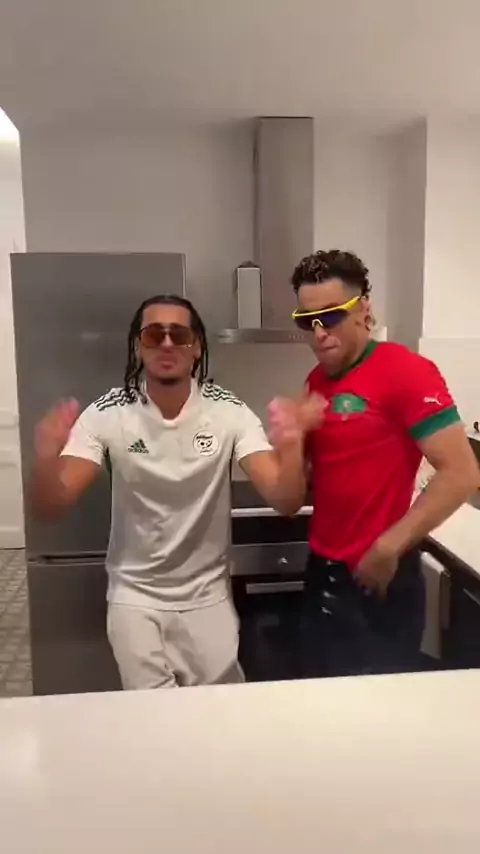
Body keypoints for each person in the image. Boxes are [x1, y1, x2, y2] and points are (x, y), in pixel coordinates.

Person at [32, 294, 319, 690]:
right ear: (139, 346)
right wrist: (46, 459)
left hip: (208, 598)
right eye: (154, 335)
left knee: (219, 712)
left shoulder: (228, 412)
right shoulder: (108, 413)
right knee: (154, 716)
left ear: (196, 347)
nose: (167, 344)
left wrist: (292, 446)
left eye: (179, 335)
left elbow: (285, 501)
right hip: (135, 598)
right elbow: (51, 506)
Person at [269, 249, 479, 677]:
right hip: (321, 570)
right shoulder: (316, 382)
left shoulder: (406, 371)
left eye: (331, 316)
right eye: (307, 320)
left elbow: (462, 473)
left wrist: (388, 546)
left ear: (364, 309)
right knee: (321, 697)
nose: (319, 332)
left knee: (376, 705)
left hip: (379, 576)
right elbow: (294, 496)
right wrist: (291, 440)